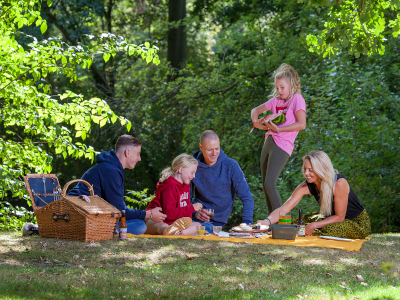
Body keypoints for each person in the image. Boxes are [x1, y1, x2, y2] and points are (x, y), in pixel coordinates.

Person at [258, 151, 371, 239]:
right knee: (300, 223)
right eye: (305, 169)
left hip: (356, 222)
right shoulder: (305, 186)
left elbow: (340, 217)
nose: (306, 173)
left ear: (321, 170)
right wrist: (266, 222)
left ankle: (312, 230)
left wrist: (313, 225)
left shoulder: (339, 183)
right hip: (331, 218)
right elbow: (284, 208)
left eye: (311, 170)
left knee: (327, 228)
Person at [68, 135, 166, 235]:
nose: (139, 158)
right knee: (139, 225)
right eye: (138, 154)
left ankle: (106, 229)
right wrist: (148, 214)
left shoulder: (111, 167)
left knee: (141, 222)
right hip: (81, 216)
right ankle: (103, 231)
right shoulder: (110, 170)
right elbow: (119, 211)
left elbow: (116, 208)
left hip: (92, 215)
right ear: (127, 152)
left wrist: (146, 215)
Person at [250, 63, 306, 214]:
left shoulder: (297, 99)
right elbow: (255, 110)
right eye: (277, 87)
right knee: (265, 184)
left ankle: (280, 223)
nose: (279, 91)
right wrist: (256, 122)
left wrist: (279, 129)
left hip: (283, 144)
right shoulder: (275, 101)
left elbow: (301, 124)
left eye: (282, 87)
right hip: (269, 142)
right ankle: (271, 223)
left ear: (291, 85)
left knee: (270, 183)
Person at [191, 130, 254, 233]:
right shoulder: (192, 166)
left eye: (217, 148)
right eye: (210, 149)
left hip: (216, 223)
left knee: (195, 230)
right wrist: (194, 213)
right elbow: (184, 198)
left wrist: (246, 224)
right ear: (201, 147)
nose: (214, 153)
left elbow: (247, 197)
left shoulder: (231, 166)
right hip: (194, 218)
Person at [145, 154, 203, 235]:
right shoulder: (170, 186)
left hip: (174, 222)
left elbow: (185, 209)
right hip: (156, 219)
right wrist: (192, 208)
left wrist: (187, 222)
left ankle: (180, 233)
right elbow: (168, 213)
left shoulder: (186, 184)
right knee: (162, 226)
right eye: (192, 172)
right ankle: (169, 231)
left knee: (198, 225)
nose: (194, 176)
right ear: (181, 170)